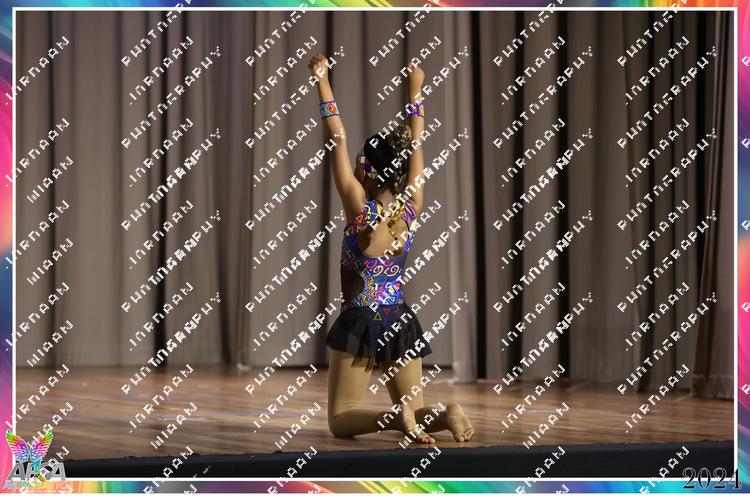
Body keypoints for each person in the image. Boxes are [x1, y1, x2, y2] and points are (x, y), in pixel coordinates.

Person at [308, 53, 474, 444]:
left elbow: (336, 138)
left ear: (366, 170)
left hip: (360, 319)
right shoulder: (411, 207)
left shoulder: (359, 210)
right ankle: (445, 412)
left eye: (359, 162)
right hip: (398, 318)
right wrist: (416, 89)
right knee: (418, 411)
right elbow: (416, 142)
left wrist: (321, 80)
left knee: (340, 419)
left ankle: (395, 419)